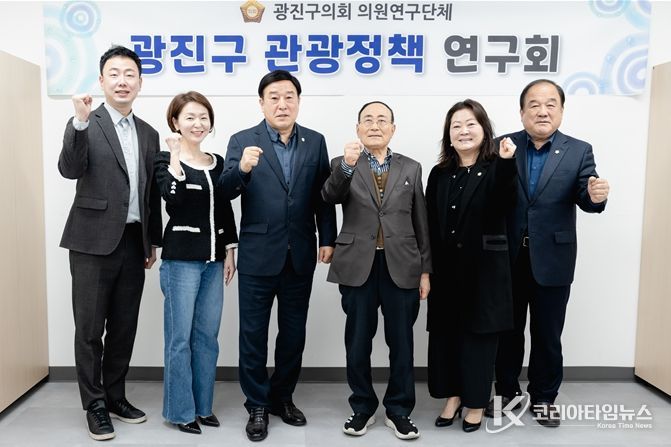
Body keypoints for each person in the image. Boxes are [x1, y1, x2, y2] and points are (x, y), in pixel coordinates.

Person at [218, 70, 337, 442]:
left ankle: (282, 397)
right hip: (258, 254)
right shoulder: (242, 141)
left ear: (298, 102)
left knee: (293, 334)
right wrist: (242, 169)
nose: (282, 104)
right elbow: (224, 191)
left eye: (289, 97)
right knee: (252, 335)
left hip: (300, 252)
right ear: (261, 103)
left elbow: (323, 196)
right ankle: (257, 403)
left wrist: (328, 238)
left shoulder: (315, 141)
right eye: (274, 97)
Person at [487, 79, 610, 427]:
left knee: (547, 335)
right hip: (507, 258)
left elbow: (586, 195)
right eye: (534, 104)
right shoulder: (502, 145)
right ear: (522, 111)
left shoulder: (578, 150)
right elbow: (491, 195)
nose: (543, 111)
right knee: (507, 333)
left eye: (550, 104)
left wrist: (595, 196)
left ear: (561, 110)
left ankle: (544, 398)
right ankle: (506, 393)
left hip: (553, 259)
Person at [58, 46, 162, 441]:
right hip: (90, 242)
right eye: (114, 74)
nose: (122, 81)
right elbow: (69, 169)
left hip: (134, 242)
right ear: (102, 81)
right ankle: (95, 405)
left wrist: (152, 241)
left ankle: (116, 396)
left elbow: (150, 194)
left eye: (129, 74)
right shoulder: (87, 122)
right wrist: (79, 122)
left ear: (140, 82)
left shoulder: (149, 133)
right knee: (89, 329)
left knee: (124, 327)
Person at [321, 101, 431, 441]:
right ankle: (362, 407)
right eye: (367, 120)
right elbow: (329, 195)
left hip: (402, 265)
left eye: (382, 120)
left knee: (402, 342)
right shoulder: (343, 163)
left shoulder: (411, 167)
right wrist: (347, 166)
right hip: (358, 265)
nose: (375, 125)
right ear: (357, 129)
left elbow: (421, 221)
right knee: (358, 341)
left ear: (393, 129)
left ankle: (399, 410)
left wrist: (425, 270)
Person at [425, 99, 517, 433]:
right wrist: (425, 269)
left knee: (478, 340)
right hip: (445, 271)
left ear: (484, 129)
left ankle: (476, 402)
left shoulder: (497, 166)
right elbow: (429, 224)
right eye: (456, 126)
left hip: (484, 271)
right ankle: (452, 396)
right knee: (446, 337)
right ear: (448, 135)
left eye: (470, 124)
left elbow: (504, 201)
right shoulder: (439, 173)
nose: (463, 131)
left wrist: (506, 163)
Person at [154, 92, 238, 434]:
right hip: (181, 262)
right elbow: (172, 201)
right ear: (175, 122)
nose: (197, 123)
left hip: (214, 261)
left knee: (207, 337)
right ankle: (180, 411)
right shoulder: (164, 160)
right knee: (180, 340)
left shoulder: (217, 162)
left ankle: (203, 407)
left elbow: (225, 207)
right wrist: (175, 156)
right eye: (189, 117)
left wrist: (230, 249)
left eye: (203, 117)